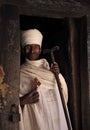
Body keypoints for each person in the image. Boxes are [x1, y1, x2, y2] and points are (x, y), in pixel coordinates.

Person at [19, 29, 72, 130]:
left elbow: (63, 93)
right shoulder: (20, 73)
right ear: (23, 50)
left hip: (55, 118)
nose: (32, 51)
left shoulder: (49, 69)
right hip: (33, 120)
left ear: (40, 49)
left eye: (36, 47)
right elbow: (9, 102)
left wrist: (57, 75)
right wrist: (22, 101)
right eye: (28, 47)